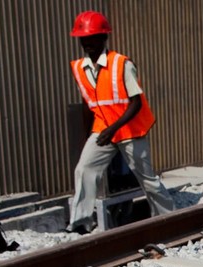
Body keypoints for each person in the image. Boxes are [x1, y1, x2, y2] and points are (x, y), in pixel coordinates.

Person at [66, 10, 175, 234]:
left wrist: (112, 129)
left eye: (92, 37)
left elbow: (135, 103)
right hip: (102, 129)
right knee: (84, 168)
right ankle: (80, 223)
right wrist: (90, 136)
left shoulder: (121, 64)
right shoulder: (79, 68)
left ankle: (170, 218)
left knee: (147, 179)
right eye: (83, 38)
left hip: (129, 130)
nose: (88, 43)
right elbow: (88, 103)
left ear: (104, 38)